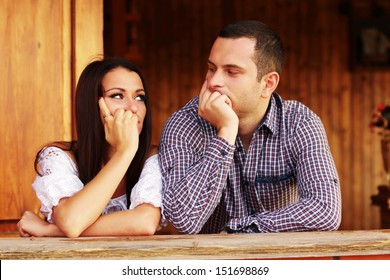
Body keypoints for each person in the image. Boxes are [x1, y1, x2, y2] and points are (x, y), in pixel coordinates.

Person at [159, 20, 342, 234]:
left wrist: (239, 230)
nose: (213, 81)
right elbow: (184, 220)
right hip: (210, 264)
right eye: (211, 68)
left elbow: (325, 210)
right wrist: (225, 132)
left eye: (231, 72)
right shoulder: (184, 124)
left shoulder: (299, 123)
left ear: (268, 84)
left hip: (279, 261)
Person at [17, 57, 169, 237]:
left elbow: (144, 222)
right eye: (117, 95)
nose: (133, 108)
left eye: (139, 97)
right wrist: (124, 152)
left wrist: (51, 230)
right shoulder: (58, 157)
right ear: (93, 105)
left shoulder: (154, 158)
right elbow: (72, 221)